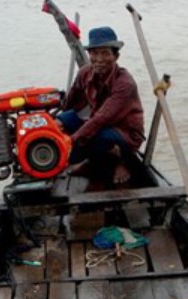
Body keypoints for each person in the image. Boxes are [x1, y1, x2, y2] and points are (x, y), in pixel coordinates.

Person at [56, 26, 144, 185]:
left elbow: (102, 118)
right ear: (89, 55)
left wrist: (70, 141)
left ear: (116, 56)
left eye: (105, 53)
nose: (99, 59)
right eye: (94, 53)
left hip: (124, 134)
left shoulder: (124, 83)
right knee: (64, 119)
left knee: (98, 136)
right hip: (99, 125)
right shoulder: (85, 73)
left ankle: (121, 163)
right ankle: (90, 160)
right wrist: (55, 124)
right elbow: (71, 103)